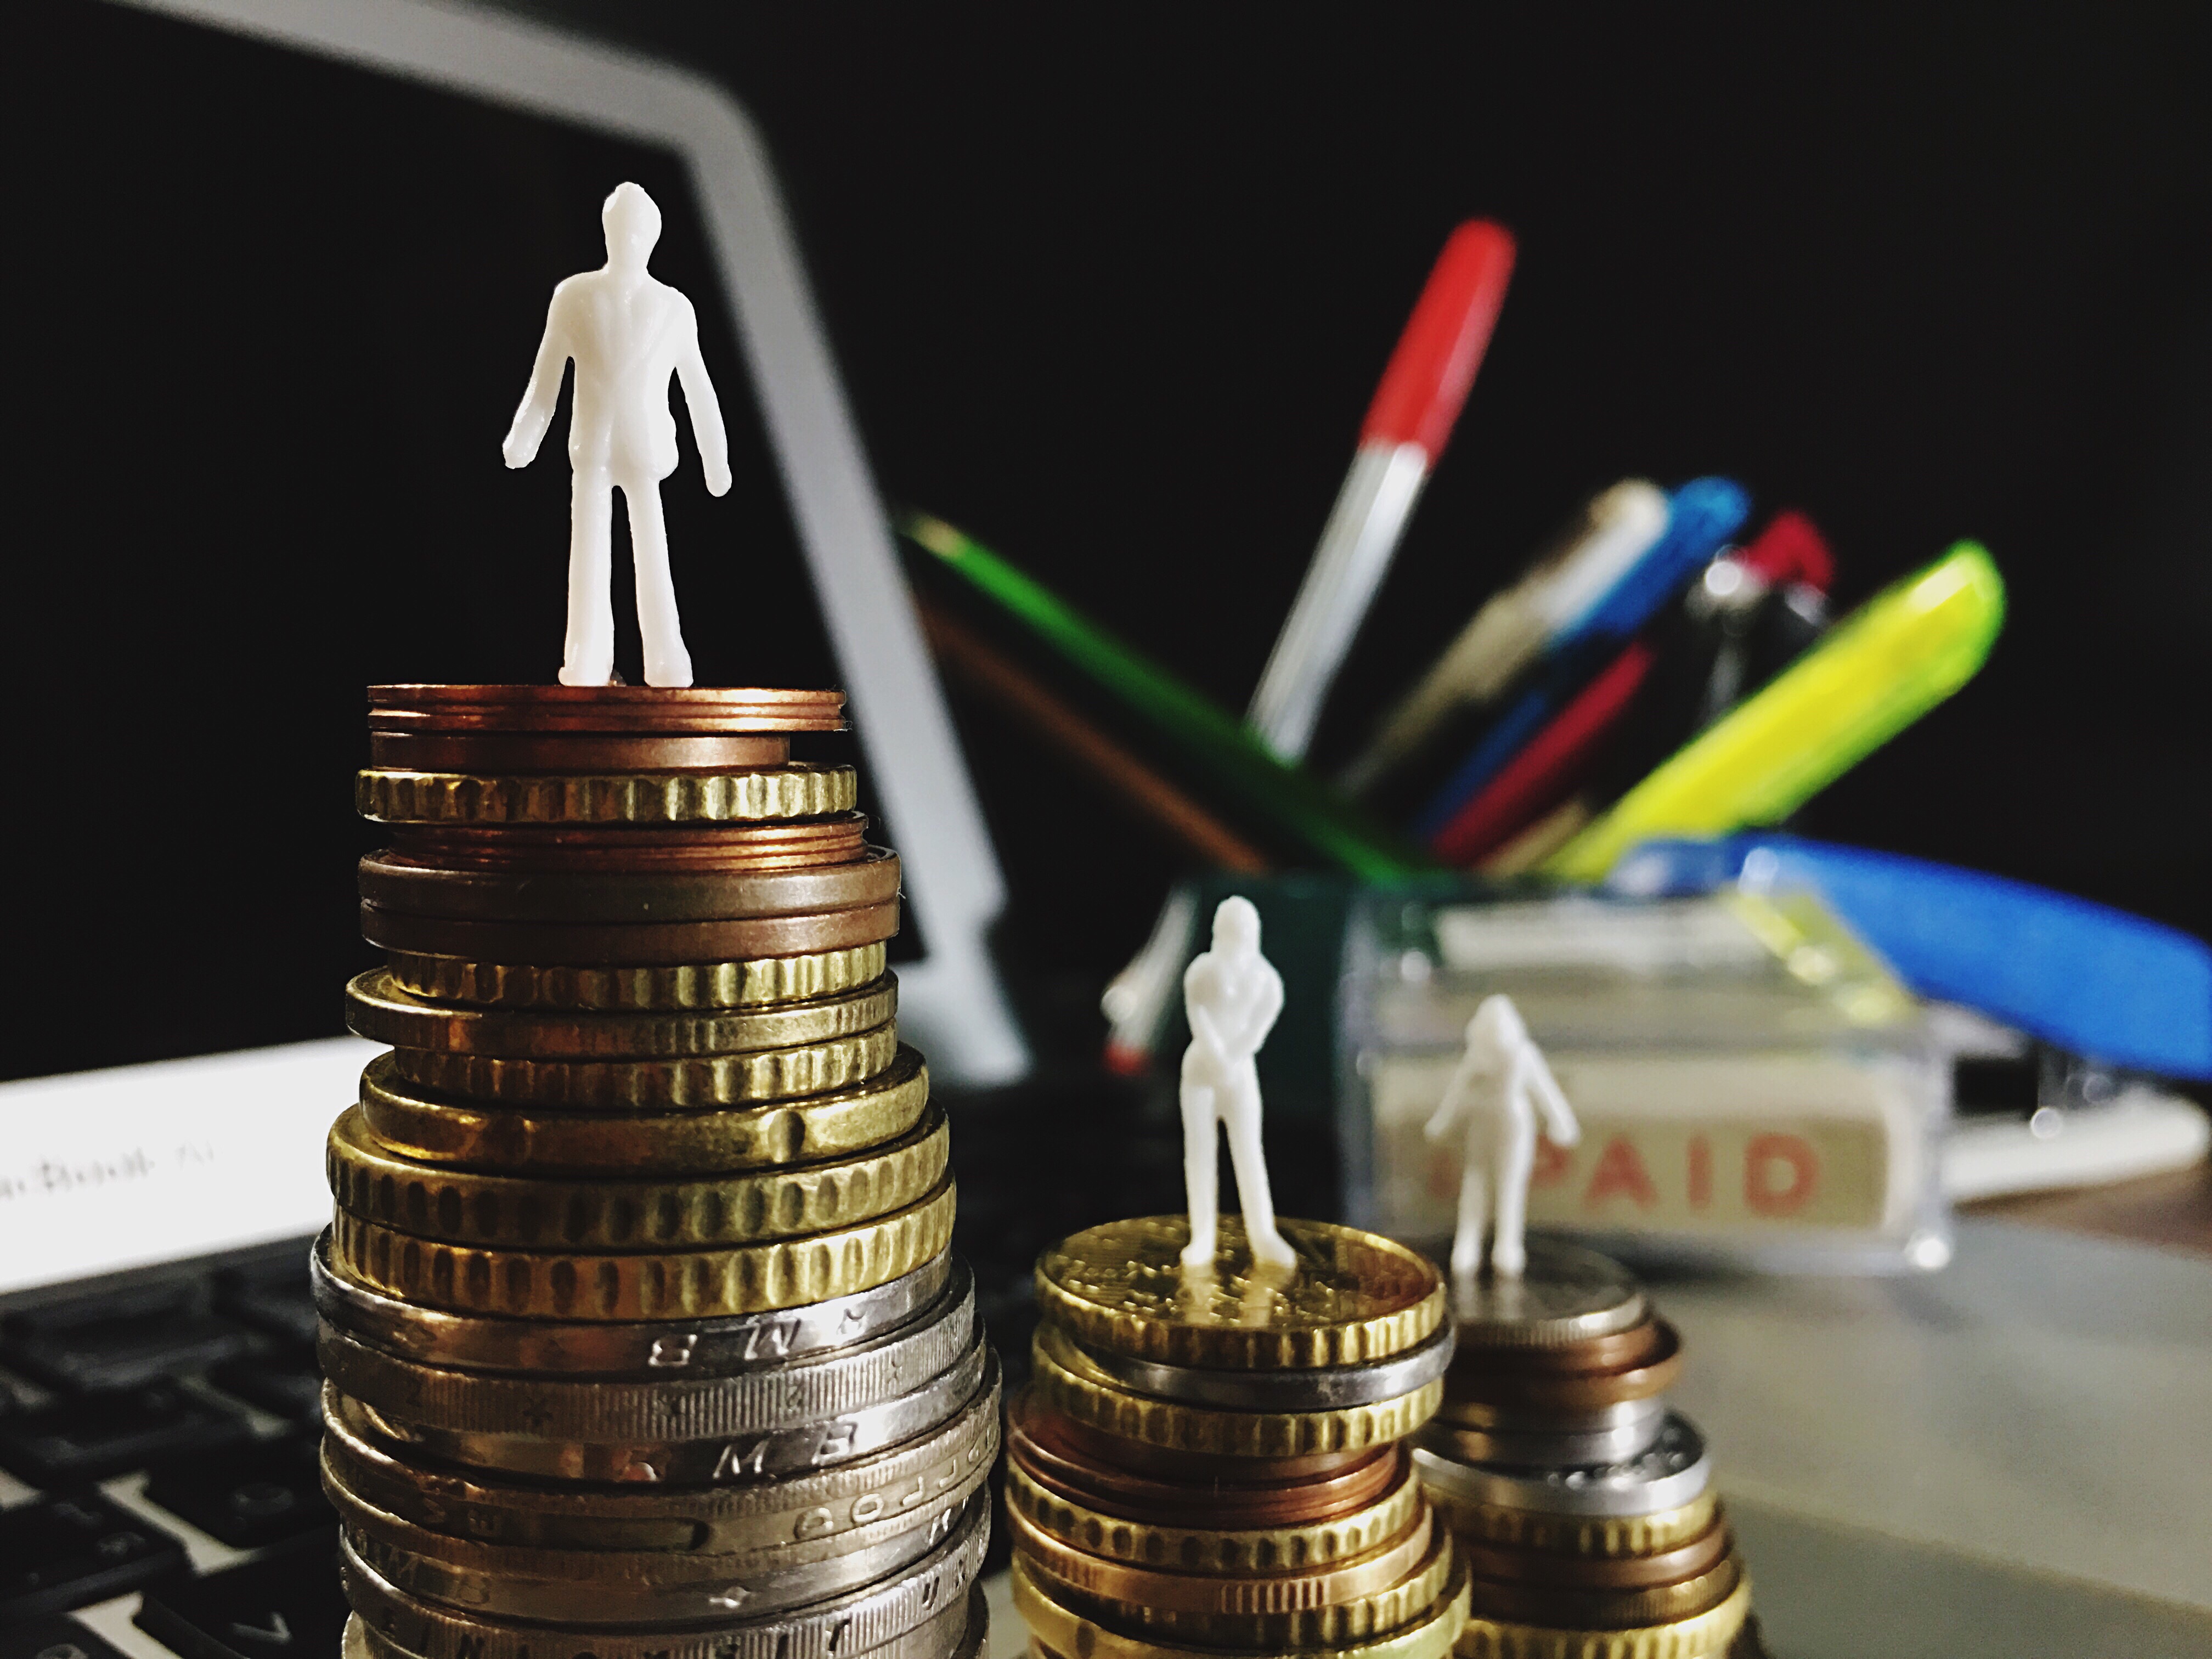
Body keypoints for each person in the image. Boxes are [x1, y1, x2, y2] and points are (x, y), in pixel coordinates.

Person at [502, 182, 732, 688]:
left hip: (646, 446)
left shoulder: (674, 308)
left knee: (653, 554)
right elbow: (547, 377)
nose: (628, 239)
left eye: (637, 230)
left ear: (652, 237)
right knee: (587, 556)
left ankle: (666, 654)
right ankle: (585, 654)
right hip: (592, 445)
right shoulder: (574, 296)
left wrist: (715, 459)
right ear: (607, 232)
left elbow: (699, 388)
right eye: (620, 228)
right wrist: (527, 434)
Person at [1424, 994, 1579, 1279]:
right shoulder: (1476, 1056)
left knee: (1511, 1186)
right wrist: (1442, 1122)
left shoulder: (1524, 1054)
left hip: (1515, 1124)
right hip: (1482, 1123)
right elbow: (1457, 1094)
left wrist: (1562, 1121)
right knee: (1475, 1180)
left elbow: (1545, 1091)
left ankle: (1508, 1245)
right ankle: (1468, 1242)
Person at [1178, 897, 1296, 1271]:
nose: (1239, 938)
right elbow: (1197, 1014)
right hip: (1201, 1071)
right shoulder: (1202, 970)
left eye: (1245, 930)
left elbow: (1258, 1029)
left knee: (1249, 1152)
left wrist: (1232, 1059)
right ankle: (1202, 1238)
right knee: (1200, 1154)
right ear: (1218, 932)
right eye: (1232, 930)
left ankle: (1263, 1234)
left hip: (1240, 1071)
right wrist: (1216, 1057)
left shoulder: (1267, 981)